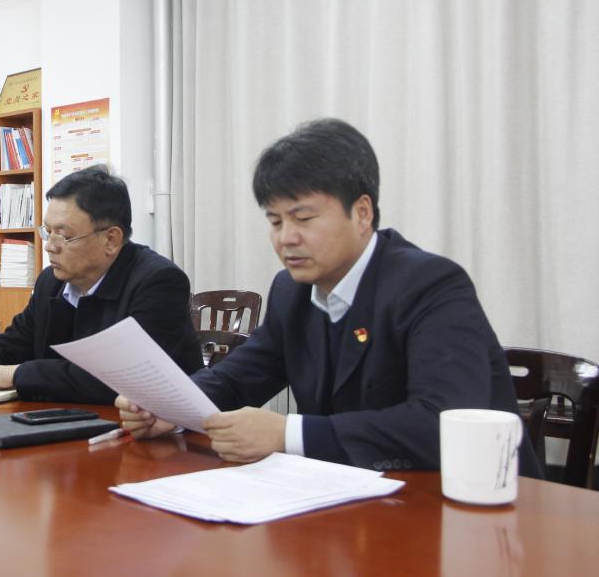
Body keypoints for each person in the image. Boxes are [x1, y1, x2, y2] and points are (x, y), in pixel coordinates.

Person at [117, 119, 541, 476]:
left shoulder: (430, 285)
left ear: (362, 213)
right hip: (353, 501)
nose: (286, 238)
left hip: (476, 505)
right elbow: (238, 377)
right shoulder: (291, 291)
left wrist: (286, 434)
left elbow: (440, 424)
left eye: (303, 218)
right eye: (275, 221)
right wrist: (167, 406)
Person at [0, 165, 203, 403]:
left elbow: (119, 376)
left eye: (64, 235)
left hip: (157, 433)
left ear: (111, 239)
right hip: (69, 422)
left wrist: (16, 375)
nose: (50, 246)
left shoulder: (158, 282)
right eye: (47, 232)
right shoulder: (52, 282)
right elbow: (13, 344)